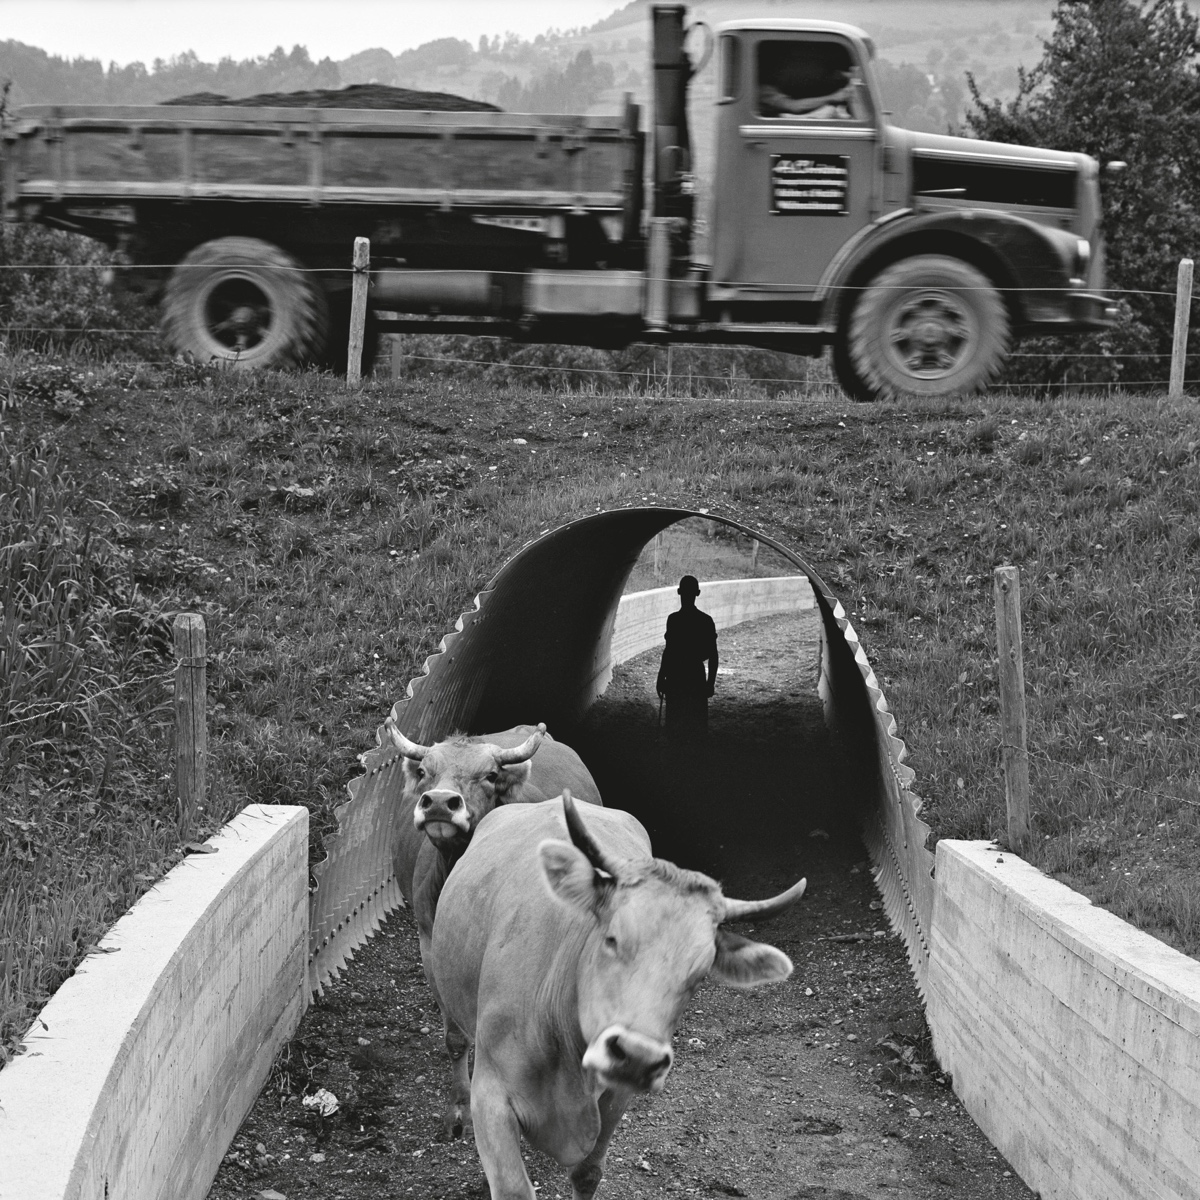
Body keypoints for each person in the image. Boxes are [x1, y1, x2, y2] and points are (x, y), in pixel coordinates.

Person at [656, 575, 719, 739]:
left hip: (675, 677)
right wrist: (710, 683)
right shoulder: (706, 621)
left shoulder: (673, 620)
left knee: (674, 725)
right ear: (697, 593)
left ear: (679, 592)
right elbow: (713, 655)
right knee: (696, 727)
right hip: (695, 677)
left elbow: (668, 651)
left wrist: (661, 676)